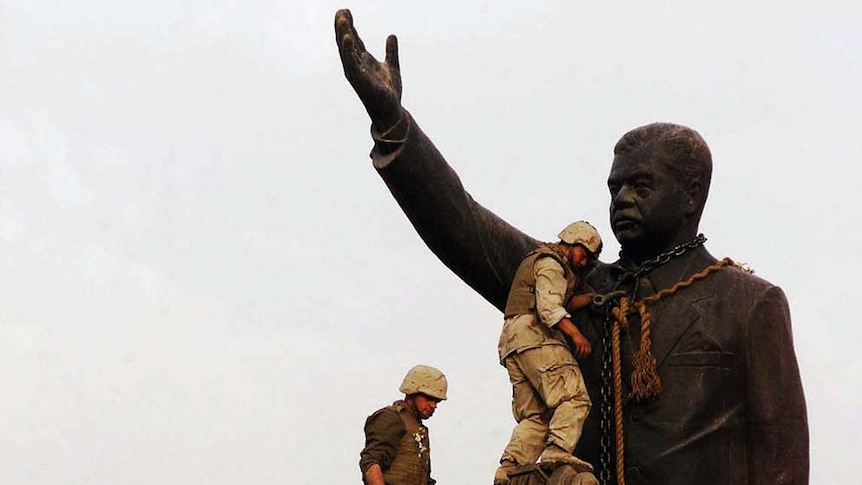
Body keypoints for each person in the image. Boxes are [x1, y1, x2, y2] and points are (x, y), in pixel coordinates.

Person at [335, 9, 808, 485]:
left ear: (690, 195)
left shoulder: (749, 304)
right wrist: (392, 122)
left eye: (641, 186)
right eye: (615, 188)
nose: (621, 199)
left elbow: (781, 457)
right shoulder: (574, 287)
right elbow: (464, 225)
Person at [495, 221, 602, 485]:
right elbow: (549, 308)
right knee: (575, 396)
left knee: (536, 416)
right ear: (570, 242)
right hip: (535, 335)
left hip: (513, 342)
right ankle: (558, 451)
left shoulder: (539, 263)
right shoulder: (552, 263)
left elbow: (559, 299)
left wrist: (591, 299)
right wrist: (576, 335)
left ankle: (510, 468)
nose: (584, 260)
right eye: (583, 252)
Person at [360, 365, 447, 485]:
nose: (433, 405)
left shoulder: (418, 429)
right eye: (428, 398)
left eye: (437, 401)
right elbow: (371, 463)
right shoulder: (392, 417)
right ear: (413, 392)